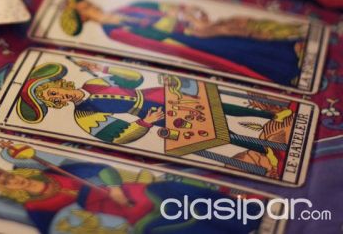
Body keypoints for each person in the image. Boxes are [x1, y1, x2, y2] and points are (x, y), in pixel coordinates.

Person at [16, 61, 293, 178]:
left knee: (219, 105)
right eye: (52, 99)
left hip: (154, 93)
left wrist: (103, 67)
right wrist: (146, 123)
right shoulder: (83, 114)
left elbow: (134, 79)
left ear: (60, 84)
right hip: (152, 114)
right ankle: (264, 149)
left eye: (54, 91)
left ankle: (271, 114)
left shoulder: (92, 81)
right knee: (211, 130)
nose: (58, 97)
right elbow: (117, 136)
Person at [58, 0, 306, 85]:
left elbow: (168, 6)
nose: (93, 6)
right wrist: (185, 31)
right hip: (186, 41)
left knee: (240, 37)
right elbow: (154, 41)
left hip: (193, 27)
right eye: (87, 8)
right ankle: (285, 70)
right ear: (84, 18)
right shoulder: (113, 31)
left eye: (89, 3)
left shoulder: (128, 6)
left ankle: (289, 47)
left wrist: (189, 15)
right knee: (234, 52)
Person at [0, 158, 262, 234]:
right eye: (6, 183)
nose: (13, 180)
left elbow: (101, 169)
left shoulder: (56, 171)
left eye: (8, 175)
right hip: (121, 221)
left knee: (176, 193)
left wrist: (116, 187)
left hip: (134, 192)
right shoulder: (36, 209)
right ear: (6, 190)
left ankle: (244, 215)